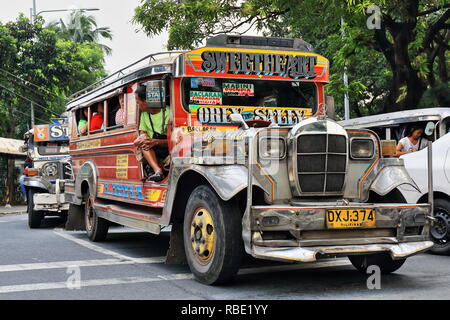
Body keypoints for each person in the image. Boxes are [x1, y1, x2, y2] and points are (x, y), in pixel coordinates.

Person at [133, 84, 170, 182]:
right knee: (144, 144)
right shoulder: (144, 115)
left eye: (138, 102)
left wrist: (156, 142)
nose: (138, 105)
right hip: (152, 149)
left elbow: (176, 140)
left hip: (169, 149)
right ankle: (157, 171)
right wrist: (143, 138)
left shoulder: (168, 112)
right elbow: (142, 132)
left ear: (145, 102)